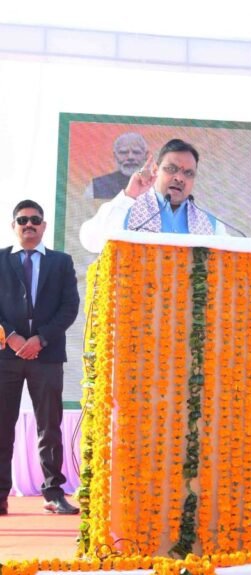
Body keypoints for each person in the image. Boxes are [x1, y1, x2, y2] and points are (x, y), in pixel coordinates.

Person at [0, 200, 81, 516]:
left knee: (49, 426)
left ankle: (53, 492)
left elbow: (69, 307)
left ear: (44, 225)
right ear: (14, 226)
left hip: (46, 356)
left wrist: (40, 339)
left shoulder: (61, 262)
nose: (29, 225)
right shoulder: (1, 259)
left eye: (35, 220)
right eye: (23, 220)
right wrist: (12, 336)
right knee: (2, 425)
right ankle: (0, 494)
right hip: (6, 355)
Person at [79, 138, 228, 253]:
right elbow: (90, 241)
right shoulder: (127, 208)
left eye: (188, 173)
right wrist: (129, 196)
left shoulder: (209, 224)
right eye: (171, 169)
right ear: (156, 170)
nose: (180, 178)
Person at [84, 132, 149, 200]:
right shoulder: (97, 186)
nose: (130, 157)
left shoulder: (155, 184)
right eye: (123, 152)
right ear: (115, 156)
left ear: (146, 156)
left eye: (136, 152)